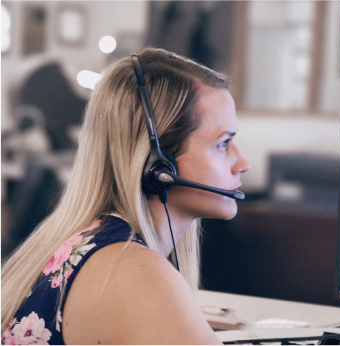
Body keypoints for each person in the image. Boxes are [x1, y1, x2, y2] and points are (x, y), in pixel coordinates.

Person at [1, 47, 250, 345]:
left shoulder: (93, 244)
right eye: (223, 144)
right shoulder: (130, 270)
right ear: (159, 165)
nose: (243, 163)